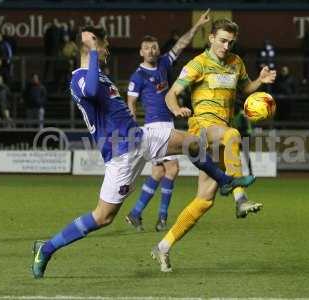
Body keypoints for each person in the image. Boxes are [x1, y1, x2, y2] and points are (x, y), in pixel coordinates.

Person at [31, 26, 256, 279]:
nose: (106, 50)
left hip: (141, 138)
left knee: (192, 143)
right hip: (121, 154)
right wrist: (94, 51)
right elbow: (91, 91)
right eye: (104, 46)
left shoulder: (100, 76)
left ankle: (226, 182)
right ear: (94, 48)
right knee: (103, 217)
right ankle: (46, 249)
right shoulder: (80, 77)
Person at [151, 18, 276, 272]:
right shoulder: (198, 64)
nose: (226, 46)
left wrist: (260, 82)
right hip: (202, 129)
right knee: (232, 135)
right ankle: (240, 198)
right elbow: (170, 93)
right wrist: (176, 109)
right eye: (222, 40)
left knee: (205, 199)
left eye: (230, 42)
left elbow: (246, 89)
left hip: (221, 133)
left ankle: (163, 246)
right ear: (211, 38)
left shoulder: (235, 63)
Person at [125, 10, 210, 232]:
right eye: (147, 48)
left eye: (154, 47)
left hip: (165, 125)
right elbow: (131, 102)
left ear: (157, 49)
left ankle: (135, 214)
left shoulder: (163, 63)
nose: (151, 50)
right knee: (172, 169)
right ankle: (162, 218)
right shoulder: (138, 76)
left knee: (159, 172)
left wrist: (198, 25)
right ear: (141, 52)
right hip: (156, 127)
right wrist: (132, 121)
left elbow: (181, 44)